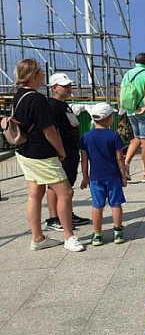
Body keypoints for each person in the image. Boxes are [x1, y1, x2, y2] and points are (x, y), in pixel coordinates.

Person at [11, 59, 84, 252]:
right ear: (34, 76)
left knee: (35, 193)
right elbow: (49, 130)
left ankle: (38, 237)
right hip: (41, 153)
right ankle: (69, 236)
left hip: (25, 151)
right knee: (65, 192)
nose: (43, 75)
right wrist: (61, 151)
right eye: (41, 73)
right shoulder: (36, 99)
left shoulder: (18, 95)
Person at [44, 73, 90, 231]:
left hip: (71, 150)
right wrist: (59, 150)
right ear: (54, 88)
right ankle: (53, 218)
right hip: (61, 152)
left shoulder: (64, 104)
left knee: (68, 183)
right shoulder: (52, 105)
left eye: (69, 85)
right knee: (55, 185)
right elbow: (53, 130)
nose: (69, 88)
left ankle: (67, 213)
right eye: (65, 86)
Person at [79, 103, 128, 246]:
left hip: (95, 177)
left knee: (97, 205)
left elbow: (84, 159)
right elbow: (120, 158)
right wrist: (123, 176)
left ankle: (97, 235)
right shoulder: (114, 136)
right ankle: (118, 231)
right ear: (108, 119)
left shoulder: (86, 137)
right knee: (116, 204)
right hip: (113, 175)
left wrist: (85, 177)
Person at [120, 52, 145, 183]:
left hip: (131, 110)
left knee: (137, 138)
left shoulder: (128, 74)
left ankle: (125, 164)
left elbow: (121, 90)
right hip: (143, 112)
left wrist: (123, 107)